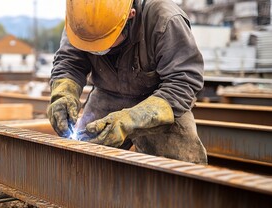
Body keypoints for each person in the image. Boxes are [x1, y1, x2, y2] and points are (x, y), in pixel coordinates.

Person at [47, 0, 207, 164]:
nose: (95, 50)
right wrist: (63, 94)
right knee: (81, 159)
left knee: (178, 172)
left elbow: (183, 82)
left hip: (160, 101)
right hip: (107, 95)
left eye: (102, 42)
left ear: (130, 17)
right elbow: (69, 63)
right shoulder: (81, 22)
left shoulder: (164, 18)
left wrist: (131, 120)